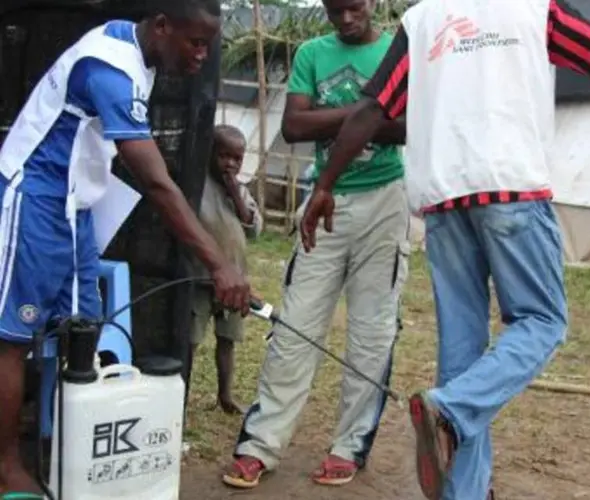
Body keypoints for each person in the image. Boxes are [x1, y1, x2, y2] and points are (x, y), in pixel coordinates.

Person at [300, 1, 590, 499]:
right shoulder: (536, 9)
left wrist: (325, 184)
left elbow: (373, 107)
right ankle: (449, 411)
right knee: (543, 321)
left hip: (444, 202)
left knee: (462, 361)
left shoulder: (423, 18)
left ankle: (458, 461)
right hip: (511, 190)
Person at [0, 1, 253, 496]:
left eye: (209, 45)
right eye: (194, 42)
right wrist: (219, 265)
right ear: (161, 26)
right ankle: (6, 464)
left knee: (84, 331)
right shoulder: (110, 67)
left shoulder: (139, 52)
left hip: (75, 211)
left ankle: (67, 452)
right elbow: (157, 183)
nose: (202, 55)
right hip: (34, 198)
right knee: (12, 338)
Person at [222, 0, 409, 489]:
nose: (345, 19)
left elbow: (407, 128)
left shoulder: (397, 51)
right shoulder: (311, 53)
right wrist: (368, 111)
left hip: (385, 200)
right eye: (334, 10)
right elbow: (293, 127)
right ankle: (260, 444)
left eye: (352, 9)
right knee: (294, 328)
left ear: (370, 3)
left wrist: (334, 116)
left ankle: (349, 446)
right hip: (324, 202)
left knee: (372, 334)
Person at [187, 125, 262, 415]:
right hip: (201, 279)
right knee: (191, 341)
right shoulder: (198, 187)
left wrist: (236, 195)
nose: (230, 164)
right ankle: (181, 392)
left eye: (237, 159)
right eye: (223, 156)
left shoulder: (241, 191)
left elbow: (254, 229)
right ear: (209, 154)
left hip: (236, 281)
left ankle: (225, 395)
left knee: (228, 340)